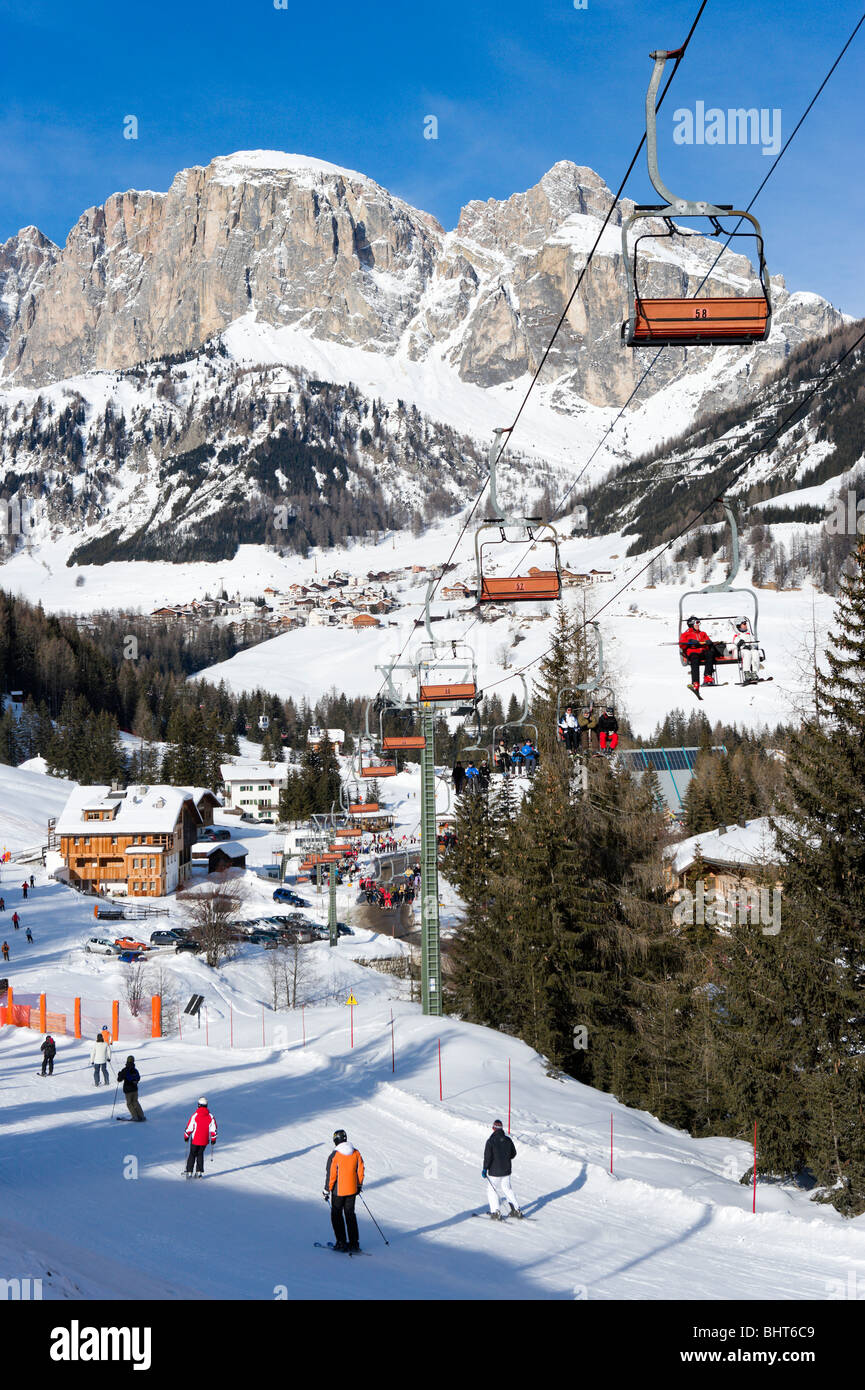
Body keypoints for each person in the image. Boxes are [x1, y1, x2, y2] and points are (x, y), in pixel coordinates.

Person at [324, 1128, 365, 1252]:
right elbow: (361, 1170)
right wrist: (359, 1185)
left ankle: (341, 1242)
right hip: (352, 1190)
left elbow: (331, 1175)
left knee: (336, 1215)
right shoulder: (356, 1152)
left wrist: (327, 1190)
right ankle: (354, 1243)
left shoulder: (335, 1155)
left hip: (338, 1191)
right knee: (350, 1215)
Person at [482, 1118, 522, 1220]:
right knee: (507, 1189)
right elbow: (513, 1153)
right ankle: (516, 1210)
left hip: (494, 1172)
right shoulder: (508, 1140)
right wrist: (506, 1159)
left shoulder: (491, 1141)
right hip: (506, 1170)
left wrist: (485, 1168)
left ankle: (495, 1212)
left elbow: (488, 1157)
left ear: (494, 1128)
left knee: (492, 1190)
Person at [679, 615, 724, 690]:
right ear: (691, 625)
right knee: (694, 659)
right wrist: (689, 642)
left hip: (702, 651)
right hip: (693, 652)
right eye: (696, 624)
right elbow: (681, 644)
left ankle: (707, 676)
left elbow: (708, 641)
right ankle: (695, 682)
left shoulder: (702, 633)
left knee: (710, 654)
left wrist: (709, 642)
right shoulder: (686, 634)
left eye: (699, 623)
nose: (698, 625)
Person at [184, 1097, 217, 1176]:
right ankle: (199, 1172)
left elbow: (189, 1128)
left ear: (198, 1105)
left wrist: (186, 1136)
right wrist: (213, 1139)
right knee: (200, 1154)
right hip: (204, 1141)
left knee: (192, 1154)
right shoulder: (210, 1116)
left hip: (195, 1140)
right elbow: (213, 1129)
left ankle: (189, 1172)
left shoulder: (195, 1116)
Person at [730, 615, 762, 684]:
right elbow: (734, 641)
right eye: (744, 624)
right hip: (737, 651)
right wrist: (740, 643)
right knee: (747, 653)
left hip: (748, 650)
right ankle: (746, 673)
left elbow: (754, 642)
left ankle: (754, 672)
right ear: (738, 626)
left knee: (755, 652)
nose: (746, 625)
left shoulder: (748, 633)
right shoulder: (735, 633)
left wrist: (752, 645)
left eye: (746, 623)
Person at [117, 1056, 146, 1121]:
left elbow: (119, 1079)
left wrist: (119, 1074)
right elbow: (138, 1078)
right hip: (135, 1089)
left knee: (129, 1103)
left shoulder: (125, 1069)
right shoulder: (135, 1070)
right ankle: (141, 1116)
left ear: (127, 1061)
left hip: (128, 1090)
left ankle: (135, 1116)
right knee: (135, 1102)